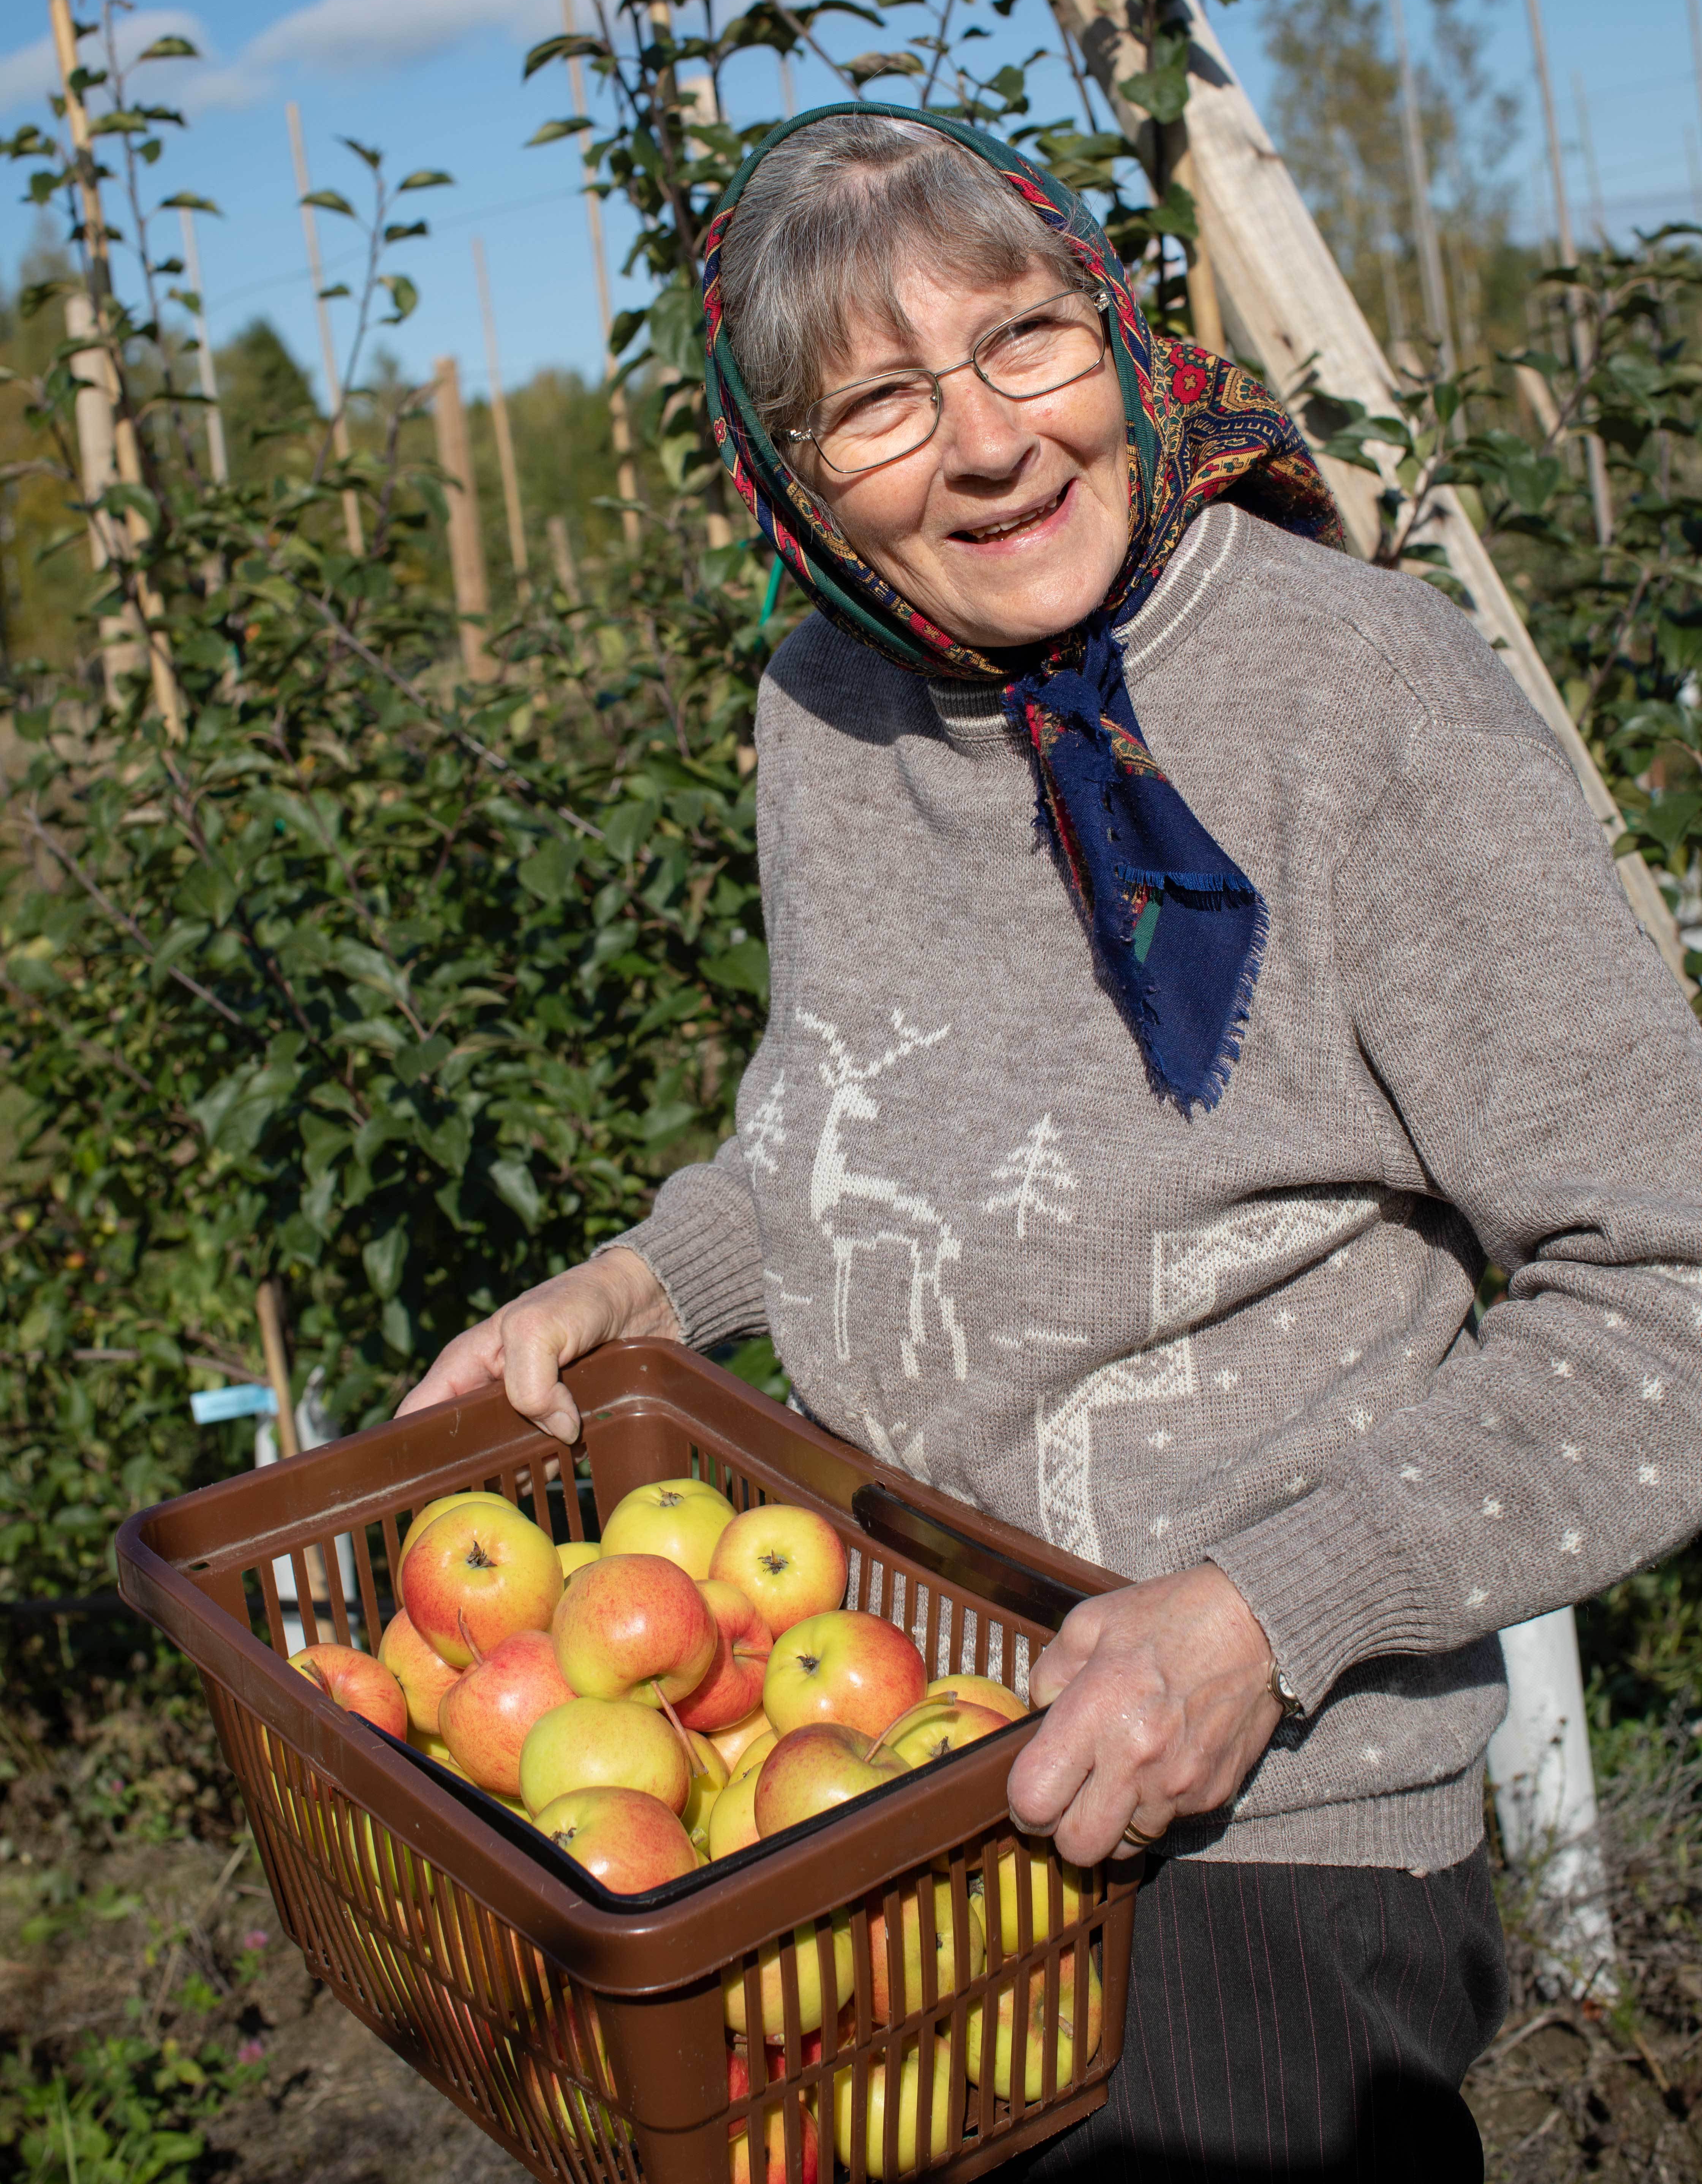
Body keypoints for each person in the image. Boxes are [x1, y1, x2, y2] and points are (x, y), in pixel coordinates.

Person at [402, 105, 1702, 2178]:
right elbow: (839, 1136)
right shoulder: (826, 706)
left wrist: (1273, 1605)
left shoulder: (1358, 697)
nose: (992, 442)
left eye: (1022, 339)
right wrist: (645, 1282)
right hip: (873, 1777)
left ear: (1115, 322)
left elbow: (1675, 1282)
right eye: (880, 405)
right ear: (789, 479)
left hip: (1258, 1854)